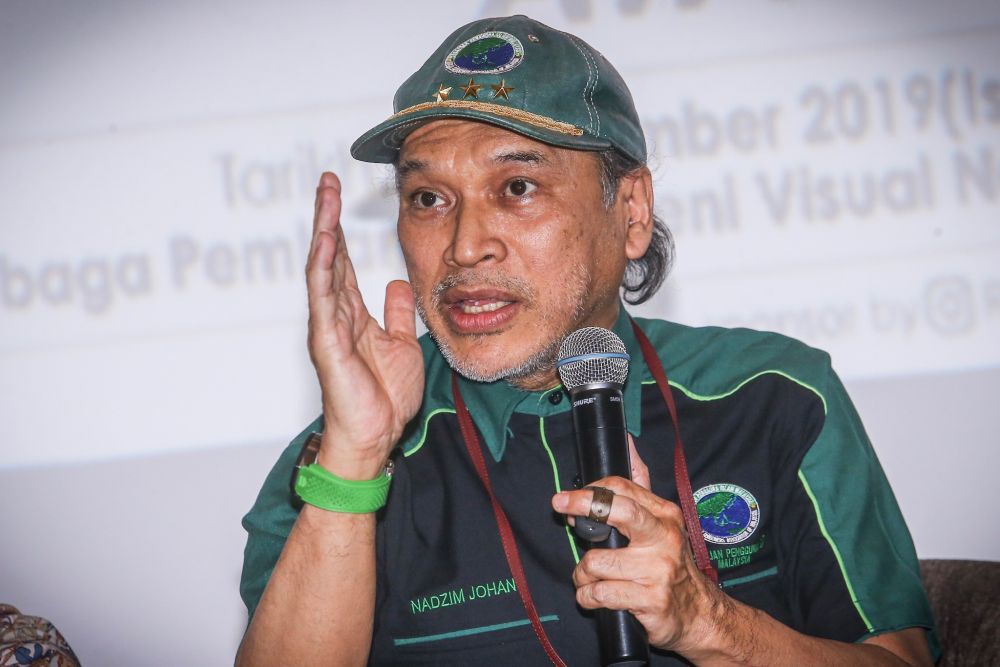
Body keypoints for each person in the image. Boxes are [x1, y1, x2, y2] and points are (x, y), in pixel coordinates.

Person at [237, 15, 937, 666]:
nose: (464, 246)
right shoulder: (344, 459)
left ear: (631, 211)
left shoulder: (774, 398)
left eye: (516, 186)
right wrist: (354, 462)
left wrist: (713, 624)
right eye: (427, 199)